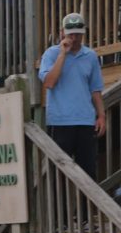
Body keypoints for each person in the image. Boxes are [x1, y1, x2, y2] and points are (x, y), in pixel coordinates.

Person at [39, 12, 105, 180]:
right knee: (59, 175)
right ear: (62, 33)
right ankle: (58, 207)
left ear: (83, 33)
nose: (74, 37)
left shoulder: (90, 56)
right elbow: (49, 82)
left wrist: (101, 116)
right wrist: (63, 54)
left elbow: (95, 89)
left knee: (89, 173)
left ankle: (85, 207)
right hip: (60, 122)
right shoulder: (51, 54)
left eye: (78, 33)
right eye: (71, 34)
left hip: (85, 121)